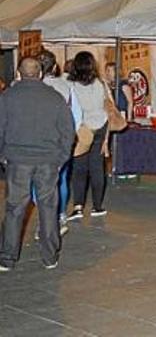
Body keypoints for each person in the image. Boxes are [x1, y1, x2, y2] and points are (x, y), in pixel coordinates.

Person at [0, 58, 75, 271]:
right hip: (48, 161)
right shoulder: (55, 98)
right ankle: (50, 256)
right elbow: (68, 132)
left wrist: (3, 155)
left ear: (18, 74)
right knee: (49, 208)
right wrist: (60, 158)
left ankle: (7, 257)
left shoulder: (7, 97)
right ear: (40, 74)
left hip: (17, 160)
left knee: (15, 209)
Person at [37, 50, 82, 234]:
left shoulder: (27, 88)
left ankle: (43, 220)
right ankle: (61, 214)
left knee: (36, 182)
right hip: (60, 141)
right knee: (61, 179)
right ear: (55, 67)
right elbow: (76, 116)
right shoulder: (66, 86)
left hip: (37, 142)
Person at [68, 52, 111, 220]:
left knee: (79, 169)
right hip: (101, 126)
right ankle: (98, 206)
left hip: (82, 129)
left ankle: (78, 206)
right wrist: (106, 138)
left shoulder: (72, 85)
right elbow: (108, 107)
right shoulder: (101, 84)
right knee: (97, 168)